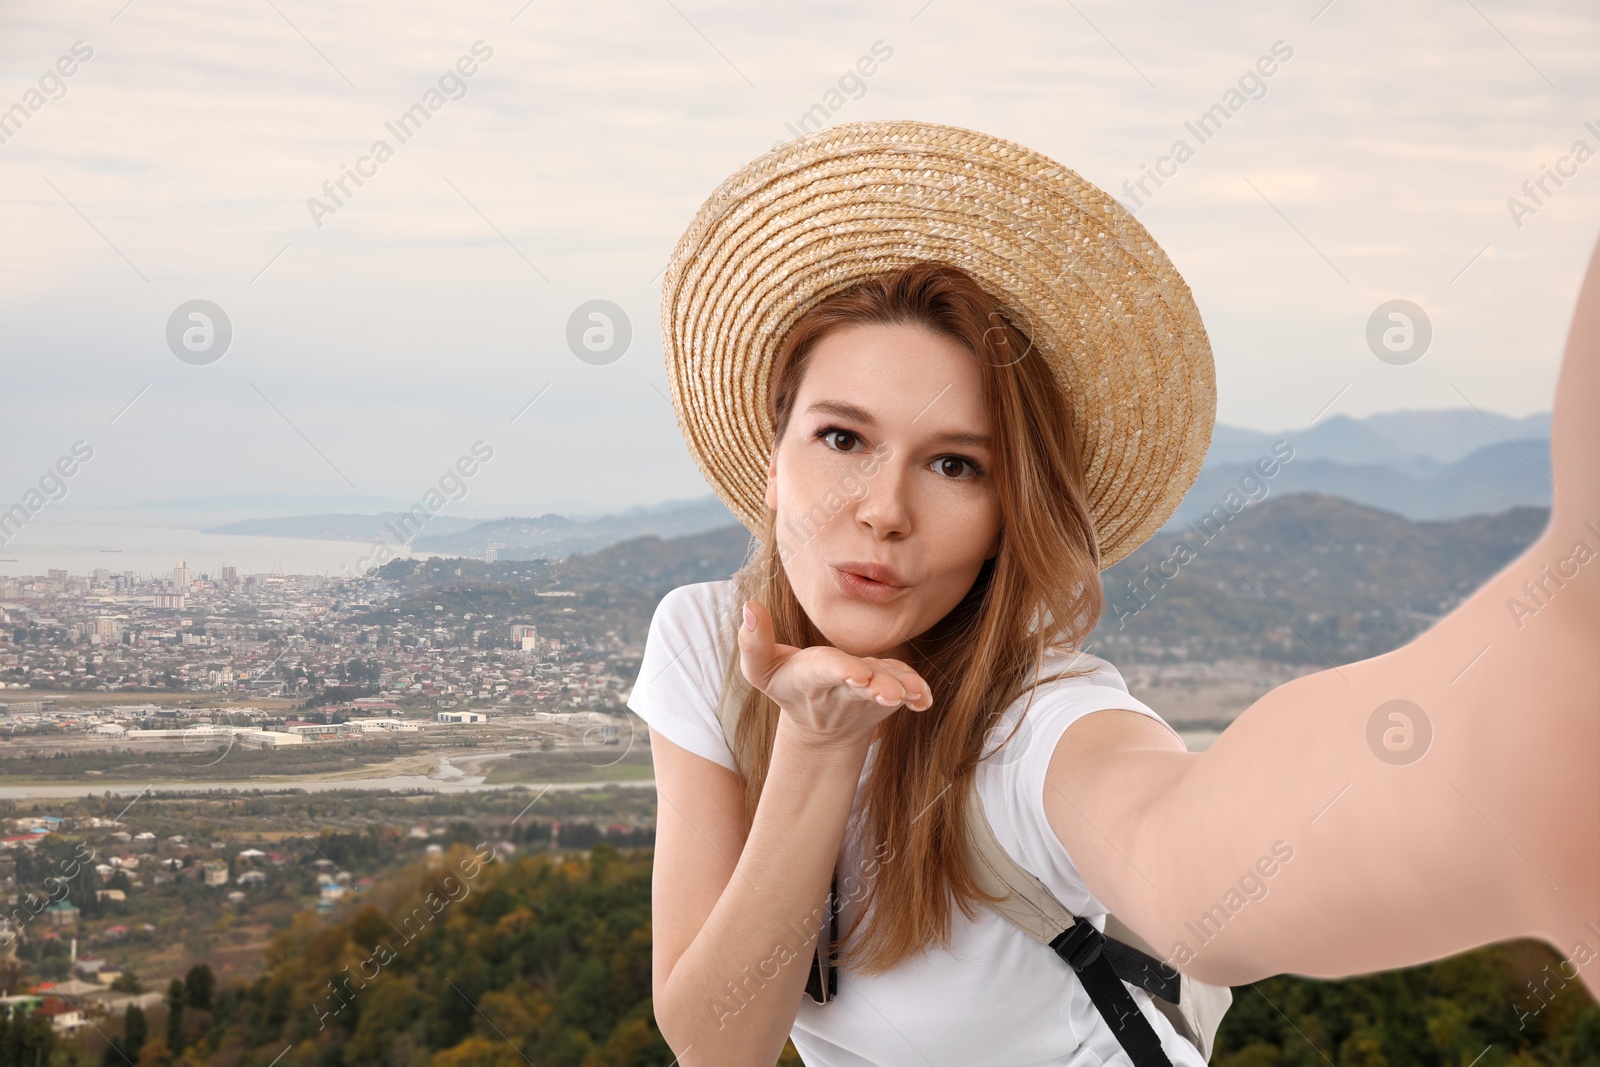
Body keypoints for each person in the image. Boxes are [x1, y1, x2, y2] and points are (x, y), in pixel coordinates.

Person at [627, 121, 1599, 1066]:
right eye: (841, 437)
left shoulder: (1029, 724)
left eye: (957, 464)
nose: (883, 508)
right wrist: (816, 741)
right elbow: (717, 1040)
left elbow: (1177, 854)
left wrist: (1503, 732)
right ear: (772, 455)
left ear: (1010, 510)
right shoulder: (707, 638)